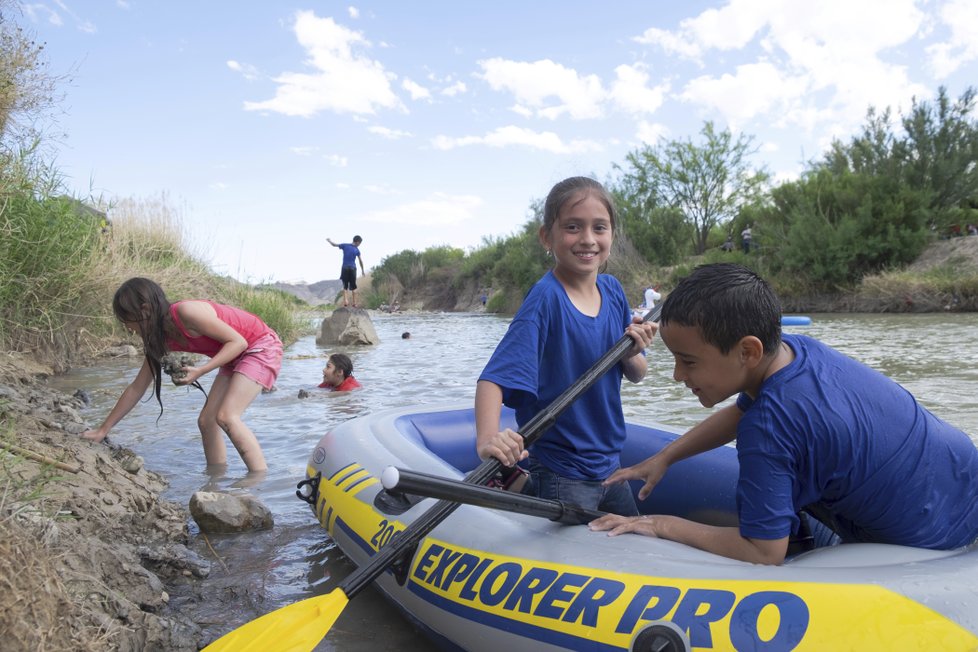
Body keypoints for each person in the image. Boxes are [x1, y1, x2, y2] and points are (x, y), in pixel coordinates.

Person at [590, 263, 978, 564]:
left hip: (932, 544)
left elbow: (762, 552)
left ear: (748, 351)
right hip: (964, 484)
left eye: (688, 362)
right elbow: (745, 411)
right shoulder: (799, 351)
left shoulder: (769, 429)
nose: (677, 376)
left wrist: (658, 524)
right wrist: (666, 456)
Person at [475, 176, 655, 514]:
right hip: (562, 472)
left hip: (609, 466)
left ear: (611, 236)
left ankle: (519, 484)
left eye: (599, 228)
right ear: (548, 236)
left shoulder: (613, 290)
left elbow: (637, 373)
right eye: (573, 227)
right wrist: (488, 439)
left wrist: (632, 352)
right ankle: (520, 482)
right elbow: (492, 380)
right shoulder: (545, 300)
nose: (587, 239)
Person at [81, 278, 282, 472]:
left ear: (145, 310)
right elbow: (137, 388)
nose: (127, 328)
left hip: (261, 345)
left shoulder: (186, 312)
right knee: (206, 421)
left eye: (127, 320)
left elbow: (238, 342)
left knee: (227, 416)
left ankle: (258, 481)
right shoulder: (158, 340)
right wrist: (103, 429)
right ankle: (216, 478)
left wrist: (202, 370)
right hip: (234, 356)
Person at [327, 235, 365, 308]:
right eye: (359, 243)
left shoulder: (345, 245)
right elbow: (360, 261)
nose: (359, 245)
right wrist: (362, 270)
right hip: (353, 268)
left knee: (345, 286)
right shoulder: (357, 250)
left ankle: (346, 302)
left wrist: (329, 240)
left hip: (345, 268)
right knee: (353, 287)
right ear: (357, 242)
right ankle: (354, 303)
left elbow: (334, 245)